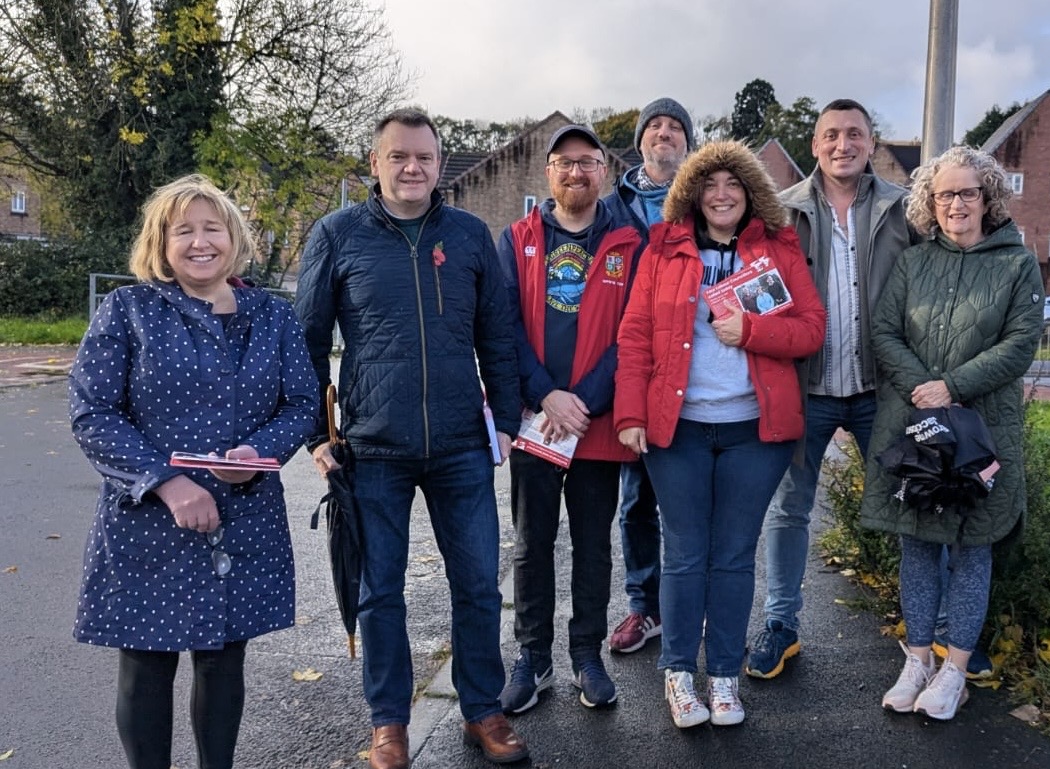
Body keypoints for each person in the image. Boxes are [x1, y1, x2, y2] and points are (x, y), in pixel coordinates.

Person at [294, 108, 527, 768]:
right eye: (397, 156)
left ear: (438, 162)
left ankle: (483, 708)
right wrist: (318, 434)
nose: (411, 167)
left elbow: (498, 335)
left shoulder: (471, 235)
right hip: (372, 447)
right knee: (380, 591)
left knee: (480, 582)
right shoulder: (336, 235)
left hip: (460, 443)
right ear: (374, 162)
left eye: (423, 156)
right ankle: (389, 721)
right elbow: (305, 341)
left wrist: (504, 419)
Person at [69, 174, 319, 769]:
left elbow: (303, 404)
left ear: (234, 239)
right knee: (146, 664)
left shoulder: (273, 317)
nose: (200, 242)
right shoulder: (128, 310)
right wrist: (166, 482)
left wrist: (259, 456)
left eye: (213, 228)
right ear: (162, 242)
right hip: (149, 520)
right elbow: (92, 411)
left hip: (244, 515)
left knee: (222, 660)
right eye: (184, 230)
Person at [614, 141, 825, 728]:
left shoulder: (777, 248)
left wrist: (751, 329)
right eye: (711, 184)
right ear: (693, 193)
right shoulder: (663, 248)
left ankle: (725, 677)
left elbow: (811, 329)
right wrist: (630, 414)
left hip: (754, 433)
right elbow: (634, 337)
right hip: (677, 430)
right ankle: (680, 676)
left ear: (751, 191)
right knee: (684, 554)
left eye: (734, 183)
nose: (723, 194)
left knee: (733, 556)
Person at [864, 145, 1044, 720]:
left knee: (972, 547)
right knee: (916, 541)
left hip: (983, 433)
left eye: (968, 192)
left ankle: (955, 670)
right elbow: (885, 329)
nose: (957, 204)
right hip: (917, 425)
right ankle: (917, 658)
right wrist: (925, 387)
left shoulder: (1016, 263)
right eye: (946, 194)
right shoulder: (915, 262)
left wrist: (953, 385)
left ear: (987, 197)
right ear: (930, 202)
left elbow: (1020, 343)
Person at [747, 99, 917, 680]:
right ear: (815, 145)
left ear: (871, 143)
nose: (842, 144)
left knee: (912, 505)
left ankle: (932, 631)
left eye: (855, 134)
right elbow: (758, 291)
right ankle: (781, 626)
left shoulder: (905, 210)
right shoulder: (781, 212)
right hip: (806, 388)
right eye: (830, 135)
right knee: (789, 509)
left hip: (882, 390)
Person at [496, 125, 641, 714]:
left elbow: (634, 332)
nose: (576, 172)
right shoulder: (517, 238)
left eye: (587, 162)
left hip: (596, 424)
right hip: (537, 422)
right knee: (532, 544)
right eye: (564, 163)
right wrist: (546, 395)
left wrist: (581, 400)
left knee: (592, 545)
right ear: (548, 172)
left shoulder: (632, 241)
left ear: (603, 170)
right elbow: (502, 327)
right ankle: (533, 656)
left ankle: (586, 653)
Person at [604, 97, 695, 655]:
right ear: (639, 141)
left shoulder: (702, 202)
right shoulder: (612, 205)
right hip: (628, 365)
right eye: (654, 127)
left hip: (690, 368)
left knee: (688, 500)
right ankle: (645, 608)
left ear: (689, 143)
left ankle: (691, 607)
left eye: (675, 128)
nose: (664, 134)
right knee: (635, 499)